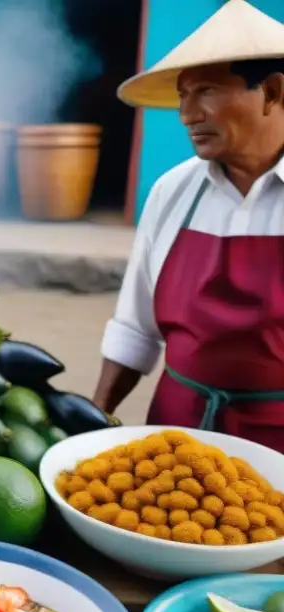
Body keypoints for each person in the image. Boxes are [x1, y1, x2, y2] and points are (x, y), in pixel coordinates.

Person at [94, 0, 284, 451]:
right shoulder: (172, 190)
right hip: (177, 437)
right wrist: (93, 420)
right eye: (183, 95)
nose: (187, 114)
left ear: (273, 92)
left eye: (207, 91)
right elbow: (135, 327)